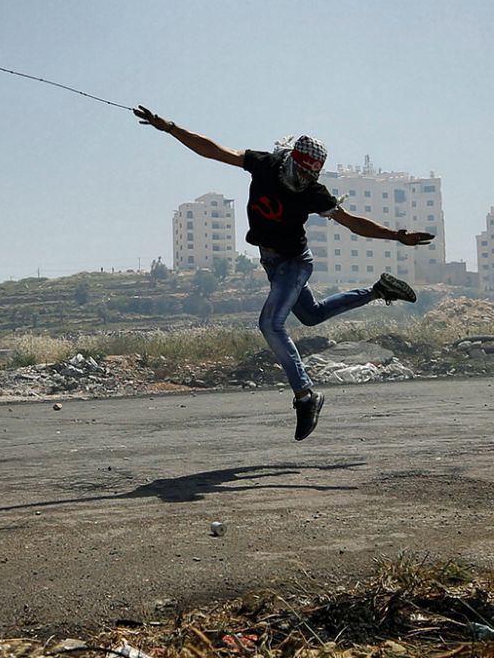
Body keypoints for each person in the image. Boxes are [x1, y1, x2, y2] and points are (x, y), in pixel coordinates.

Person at [133, 106, 435, 440]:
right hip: (273, 264)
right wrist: (171, 128)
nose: (300, 181)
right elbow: (215, 151)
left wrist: (397, 236)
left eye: (309, 178)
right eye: (299, 173)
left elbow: (351, 222)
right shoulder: (266, 163)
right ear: (290, 158)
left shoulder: (313, 193)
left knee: (270, 324)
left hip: (295, 262)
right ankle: (379, 291)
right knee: (311, 315)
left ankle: (306, 396)